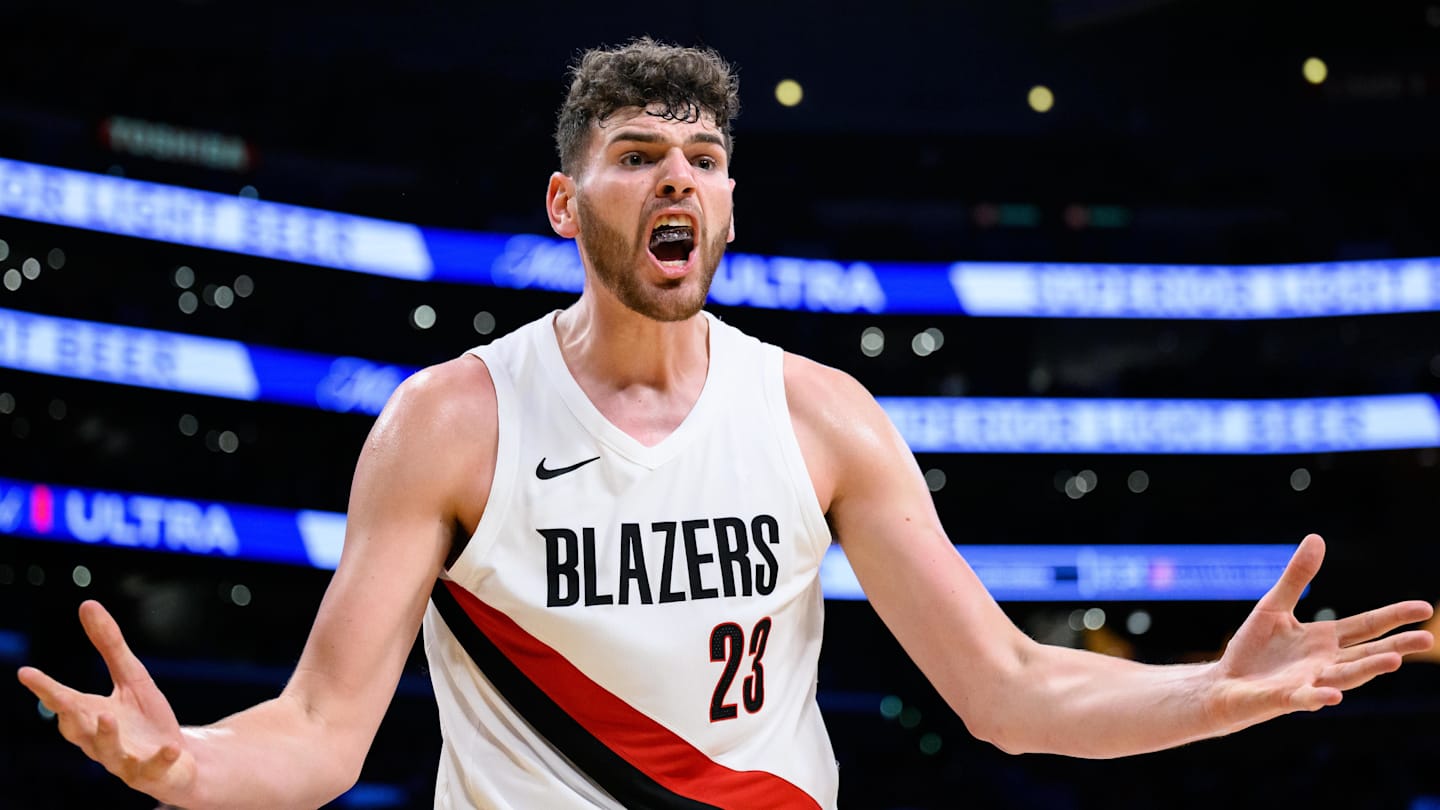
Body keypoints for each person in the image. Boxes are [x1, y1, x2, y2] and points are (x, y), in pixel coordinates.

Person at [15, 38, 1436, 810]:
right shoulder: (451, 421)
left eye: (703, 157)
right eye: (635, 157)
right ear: (569, 206)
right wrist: (185, 766)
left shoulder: (819, 415)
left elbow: (1009, 689)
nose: (674, 178)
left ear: (732, 207)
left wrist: (1217, 693)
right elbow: (324, 734)